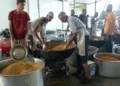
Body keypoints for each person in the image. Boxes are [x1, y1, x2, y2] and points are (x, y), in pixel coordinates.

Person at [58, 12, 91, 83]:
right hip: (81, 36)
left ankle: (88, 77)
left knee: (83, 58)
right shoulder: (70, 19)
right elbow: (74, 32)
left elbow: (75, 34)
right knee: (79, 55)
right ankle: (79, 71)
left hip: (84, 37)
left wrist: (67, 44)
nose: (61, 21)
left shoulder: (70, 20)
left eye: (61, 19)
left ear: (64, 17)